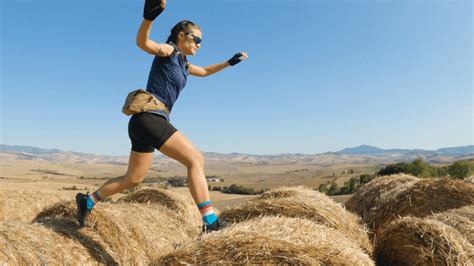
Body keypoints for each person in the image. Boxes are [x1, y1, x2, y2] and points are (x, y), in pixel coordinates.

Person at [75, 0, 248, 233]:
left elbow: (205, 71)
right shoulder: (170, 51)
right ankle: (210, 222)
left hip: (145, 123)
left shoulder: (185, 65)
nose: (199, 44)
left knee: (133, 179)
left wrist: (229, 62)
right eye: (196, 39)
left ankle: (88, 201)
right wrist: (148, 19)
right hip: (149, 117)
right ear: (181, 36)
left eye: (201, 41)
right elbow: (144, 43)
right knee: (195, 159)